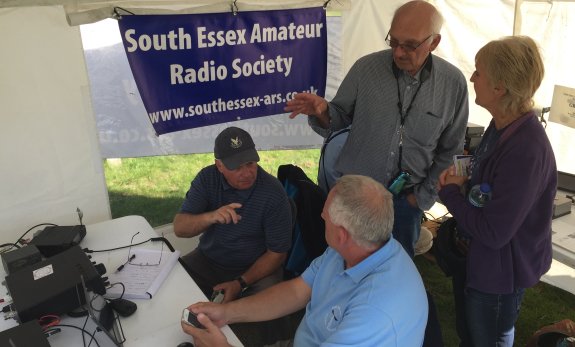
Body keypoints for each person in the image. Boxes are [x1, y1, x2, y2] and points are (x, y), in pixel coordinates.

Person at [284, 0, 469, 258]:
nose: (399, 52)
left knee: (392, 273)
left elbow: (452, 149)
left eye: (410, 45)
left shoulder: (453, 84)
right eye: (393, 41)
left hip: (405, 203)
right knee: (340, 265)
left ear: (434, 43)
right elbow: (339, 121)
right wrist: (323, 110)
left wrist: (420, 199)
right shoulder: (366, 68)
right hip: (355, 198)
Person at [181, 175, 429, 347]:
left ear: (342, 234)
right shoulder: (356, 246)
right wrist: (226, 313)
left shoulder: (376, 310)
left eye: (324, 219)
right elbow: (298, 291)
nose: (321, 217)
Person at [437, 36, 556, 347]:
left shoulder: (525, 149)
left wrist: (449, 194)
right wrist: (463, 175)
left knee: (488, 338)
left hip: (499, 274)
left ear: (500, 87)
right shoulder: (502, 124)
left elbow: (494, 232)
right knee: (473, 334)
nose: (473, 78)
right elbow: (487, 173)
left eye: (479, 72)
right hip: (484, 261)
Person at [173, 126, 292, 303]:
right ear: (219, 165)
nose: (247, 173)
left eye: (251, 163)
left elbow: (277, 254)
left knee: (270, 303)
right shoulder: (207, 179)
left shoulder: (272, 192)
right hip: (208, 259)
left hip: (255, 268)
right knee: (173, 283)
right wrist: (211, 216)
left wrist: (239, 283)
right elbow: (179, 228)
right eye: (236, 167)